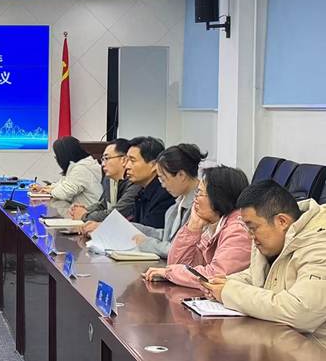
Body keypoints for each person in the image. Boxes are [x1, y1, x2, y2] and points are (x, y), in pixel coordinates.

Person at [202, 181, 326, 348]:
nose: (250, 236)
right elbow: (255, 276)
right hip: (281, 343)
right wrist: (223, 283)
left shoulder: (320, 245)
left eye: (253, 228)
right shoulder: (276, 238)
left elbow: (302, 312)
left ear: (282, 221)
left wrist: (229, 292)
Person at [144, 165, 251, 286]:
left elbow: (214, 277)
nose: (195, 200)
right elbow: (177, 265)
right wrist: (192, 228)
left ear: (217, 197)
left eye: (199, 193)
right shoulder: (214, 225)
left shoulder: (238, 230)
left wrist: (170, 273)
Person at [81, 136, 173, 235]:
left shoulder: (165, 194)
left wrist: (104, 227)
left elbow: (146, 233)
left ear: (154, 165)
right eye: (127, 160)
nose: (126, 166)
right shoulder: (142, 191)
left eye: (132, 161)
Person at [131, 144, 206, 257]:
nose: (163, 185)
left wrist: (147, 243)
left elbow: (180, 249)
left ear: (181, 175)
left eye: (163, 179)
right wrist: (135, 229)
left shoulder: (202, 206)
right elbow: (169, 236)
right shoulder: (176, 206)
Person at [69, 138, 140, 222]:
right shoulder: (108, 179)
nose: (103, 164)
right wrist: (83, 210)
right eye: (102, 159)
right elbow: (103, 205)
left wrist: (84, 216)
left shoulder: (136, 183)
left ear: (123, 160)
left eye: (107, 158)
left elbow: (116, 215)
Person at [30, 136, 102, 206]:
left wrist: (50, 191)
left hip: (89, 211)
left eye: (57, 156)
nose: (56, 159)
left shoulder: (81, 169)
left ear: (64, 156)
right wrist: (44, 188)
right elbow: (64, 184)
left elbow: (65, 192)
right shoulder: (80, 165)